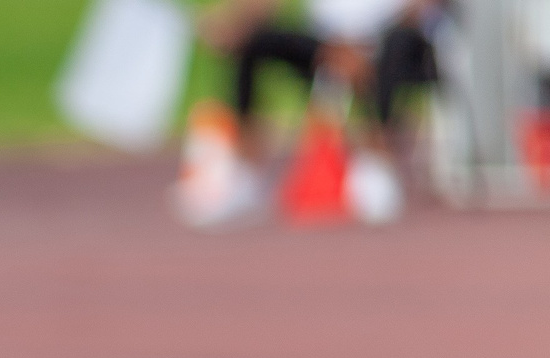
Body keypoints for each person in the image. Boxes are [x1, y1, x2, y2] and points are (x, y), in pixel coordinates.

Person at [186, 0, 443, 223]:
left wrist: (362, 45)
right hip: (327, 44)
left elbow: (420, 7)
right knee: (254, 42)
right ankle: (246, 173)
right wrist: (234, 24)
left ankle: (379, 163)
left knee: (396, 47)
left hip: (390, 36)